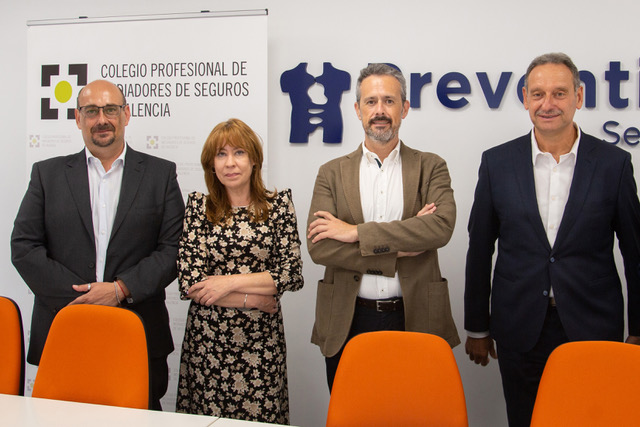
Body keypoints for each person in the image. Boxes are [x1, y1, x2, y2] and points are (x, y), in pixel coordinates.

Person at [464, 52, 640, 427]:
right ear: (525, 98)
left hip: (594, 325)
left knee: (592, 419)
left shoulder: (614, 164)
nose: (548, 104)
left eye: (559, 93)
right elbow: (479, 248)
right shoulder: (497, 163)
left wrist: (639, 329)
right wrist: (477, 326)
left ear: (579, 97)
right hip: (519, 325)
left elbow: (635, 254)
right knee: (525, 419)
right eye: (538, 94)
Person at [11, 79, 185, 410]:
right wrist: (84, 297)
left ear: (126, 114)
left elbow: (173, 249)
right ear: (78, 118)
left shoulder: (160, 174)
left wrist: (120, 289)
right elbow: (23, 247)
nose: (101, 119)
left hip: (138, 333)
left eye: (110, 110)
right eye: (91, 111)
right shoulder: (47, 175)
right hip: (64, 330)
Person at [307, 63, 460, 391]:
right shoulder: (331, 173)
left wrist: (355, 233)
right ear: (357, 110)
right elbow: (320, 247)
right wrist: (398, 249)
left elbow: (440, 227)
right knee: (352, 412)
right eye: (371, 101)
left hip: (414, 316)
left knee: (415, 411)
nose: (380, 110)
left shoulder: (431, 166)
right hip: (349, 320)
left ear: (404, 108)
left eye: (389, 101)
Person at [175, 118, 303, 423]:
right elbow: (190, 282)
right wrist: (252, 299)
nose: (230, 163)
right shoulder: (199, 208)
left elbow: (291, 274)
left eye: (239, 153)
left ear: (254, 159)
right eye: (221, 154)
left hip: (261, 345)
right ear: (211, 164)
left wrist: (226, 283)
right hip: (207, 345)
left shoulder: (278, 206)